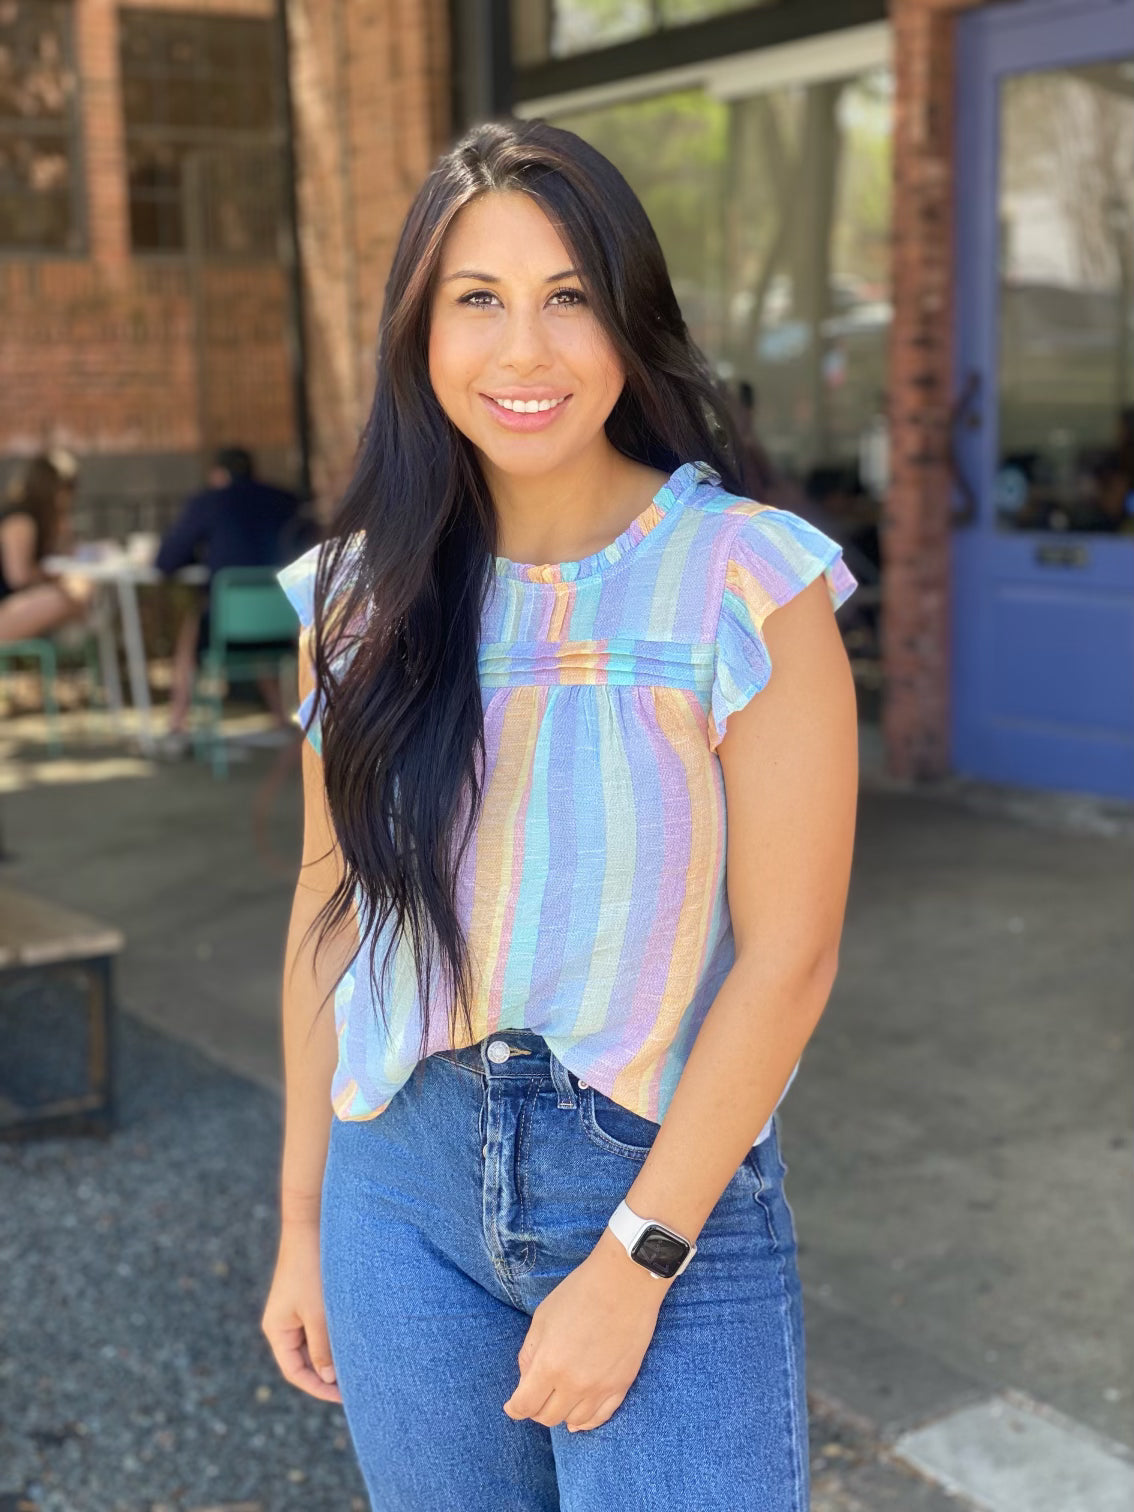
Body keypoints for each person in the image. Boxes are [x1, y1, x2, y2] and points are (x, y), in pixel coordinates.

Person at [263, 119, 859, 1510]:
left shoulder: (742, 580)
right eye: (477, 299)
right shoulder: (356, 600)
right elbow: (330, 910)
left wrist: (637, 1260)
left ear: (630, 322)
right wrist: (299, 1222)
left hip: (659, 1181)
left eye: (568, 297)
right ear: (420, 332)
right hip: (394, 1189)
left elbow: (790, 957)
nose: (522, 351)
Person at [154, 445, 317, 754]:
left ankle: (177, 723)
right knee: (251, 614)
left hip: (230, 625)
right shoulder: (286, 500)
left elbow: (166, 561)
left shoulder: (209, 501)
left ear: (219, 475)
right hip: (285, 621)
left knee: (194, 624)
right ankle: (280, 717)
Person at [0, 448, 95, 642]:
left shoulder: (44, 520)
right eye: (67, 489)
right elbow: (19, 577)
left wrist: (61, 525)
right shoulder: (20, 520)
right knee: (67, 598)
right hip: (6, 610)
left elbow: (67, 554)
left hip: (16, 606)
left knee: (80, 591)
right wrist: (54, 578)